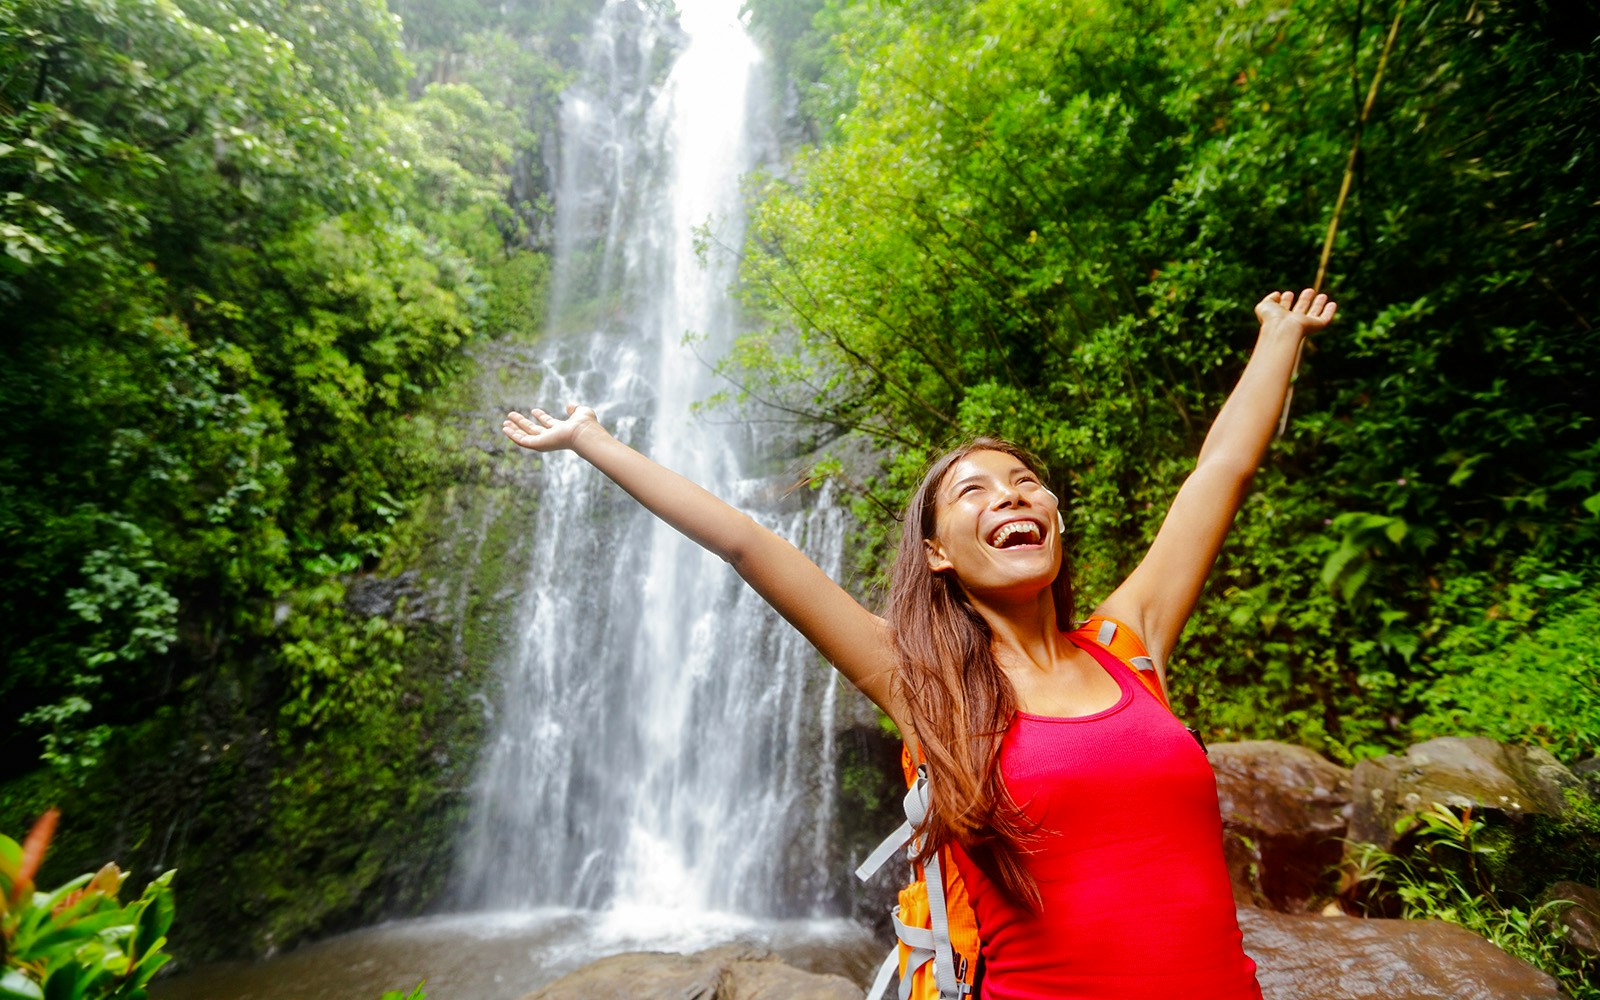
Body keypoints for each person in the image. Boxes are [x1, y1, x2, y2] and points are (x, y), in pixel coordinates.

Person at [502, 288, 1338, 1000]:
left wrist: (1277, 338)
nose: (1011, 496)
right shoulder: (922, 685)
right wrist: (593, 441)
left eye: (1026, 484)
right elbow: (749, 545)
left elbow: (1219, 472)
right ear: (937, 551)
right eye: (974, 491)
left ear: (1053, 519)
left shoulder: (1132, 642)